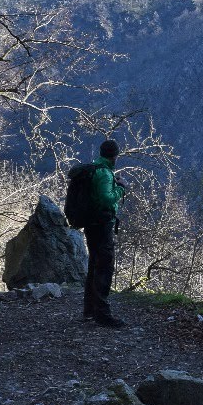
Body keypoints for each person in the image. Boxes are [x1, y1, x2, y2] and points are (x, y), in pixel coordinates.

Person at [83, 139, 126, 327]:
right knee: (104, 267)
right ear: (114, 156)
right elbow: (106, 199)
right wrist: (121, 188)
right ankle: (102, 314)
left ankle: (89, 310)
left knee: (94, 265)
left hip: (91, 223)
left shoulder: (95, 168)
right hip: (102, 225)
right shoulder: (105, 174)